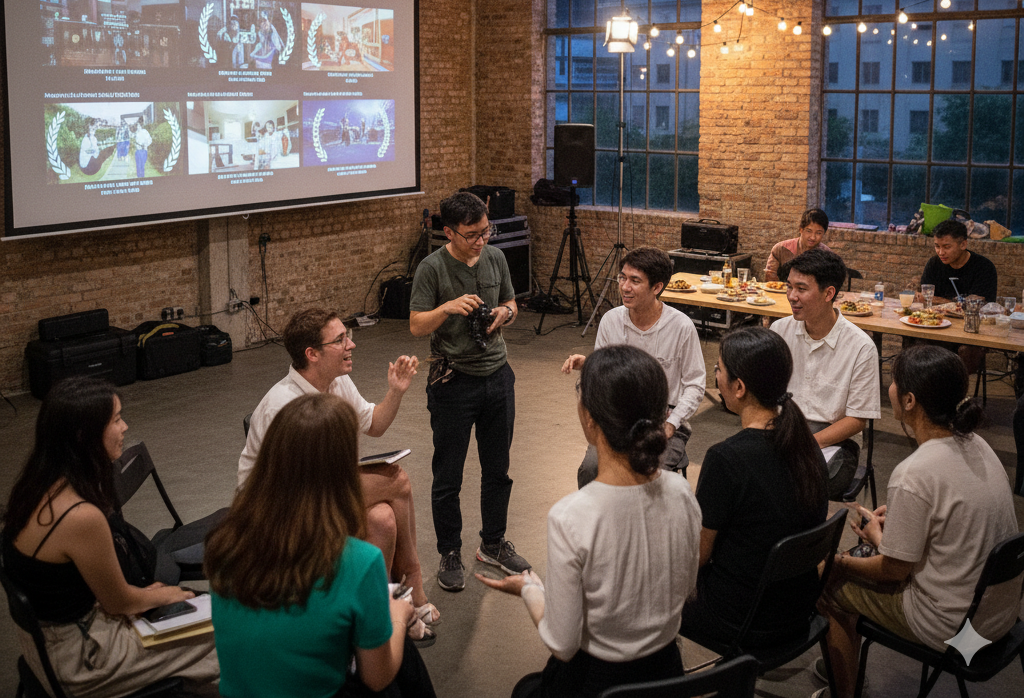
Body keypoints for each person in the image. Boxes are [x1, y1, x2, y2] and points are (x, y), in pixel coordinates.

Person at [477, 345, 702, 698]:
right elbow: (687, 588)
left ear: (590, 419)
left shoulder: (571, 516)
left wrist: (530, 590)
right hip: (669, 675)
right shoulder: (682, 492)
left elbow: (562, 645)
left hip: (599, 683)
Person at [816, 345, 1019, 698]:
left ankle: (843, 691)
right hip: (999, 620)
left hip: (957, 634)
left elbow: (894, 571)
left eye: (893, 382)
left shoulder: (914, 473)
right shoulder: (978, 445)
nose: (889, 388)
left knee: (827, 584)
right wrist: (888, 535)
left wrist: (839, 563)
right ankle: (842, 663)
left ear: (909, 401)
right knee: (863, 556)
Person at [1, 376, 219, 697]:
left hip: (48, 646)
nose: (125, 427)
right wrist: (164, 595)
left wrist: (143, 595)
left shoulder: (35, 487)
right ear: (84, 435)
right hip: (83, 659)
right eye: (116, 420)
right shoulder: (79, 515)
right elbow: (119, 602)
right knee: (226, 637)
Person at [208, 393, 436, 698]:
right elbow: (378, 677)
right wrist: (397, 615)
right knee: (401, 656)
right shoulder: (358, 561)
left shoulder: (224, 544)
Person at [238, 308, 439, 638]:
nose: (351, 345)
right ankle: (412, 585)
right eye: (340, 340)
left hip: (316, 493)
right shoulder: (282, 405)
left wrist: (396, 391)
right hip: (278, 511)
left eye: (348, 336)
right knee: (397, 480)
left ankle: (378, 610)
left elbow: (374, 424)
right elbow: (294, 491)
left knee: (383, 520)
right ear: (312, 354)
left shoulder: (337, 381)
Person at [409, 191, 531, 592]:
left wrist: (505, 313)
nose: (482, 240)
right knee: (448, 476)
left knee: (498, 469)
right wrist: (447, 308)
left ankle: (493, 543)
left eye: (485, 231)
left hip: (498, 376)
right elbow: (416, 325)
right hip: (453, 382)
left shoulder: (495, 258)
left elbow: (512, 302)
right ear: (449, 232)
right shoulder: (432, 269)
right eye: (472, 234)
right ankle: (449, 551)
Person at [679, 327, 828, 646]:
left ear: (739, 387)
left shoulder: (726, 459)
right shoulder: (807, 445)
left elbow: (698, 557)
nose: (716, 376)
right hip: (796, 612)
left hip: (739, 618)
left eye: (718, 369)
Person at [562, 246, 705, 488]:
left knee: (647, 477)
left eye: (635, 281)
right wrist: (591, 364)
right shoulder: (611, 320)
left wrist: (672, 423)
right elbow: (605, 377)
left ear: (657, 287)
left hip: (664, 419)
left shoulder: (681, 327)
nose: (625, 287)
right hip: (618, 419)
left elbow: (695, 384)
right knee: (591, 469)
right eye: (622, 278)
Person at [770, 248, 880, 500]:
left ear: (829, 293)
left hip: (835, 440)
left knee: (800, 484)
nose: (792, 296)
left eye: (801, 289)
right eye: (789, 287)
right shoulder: (780, 330)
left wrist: (806, 445)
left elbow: (856, 420)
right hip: (786, 431)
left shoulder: (860, 347)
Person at [918, 219, 998, 304]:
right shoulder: (933, 264)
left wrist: (942, 301)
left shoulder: (984, 267)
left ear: (963, 245)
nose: (941, 253)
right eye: (937, 246)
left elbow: (976, 305)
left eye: (947, 247)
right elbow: (924, 298)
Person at [764, 208, 832, 282]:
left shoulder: (828, 255)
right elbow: (770, 280)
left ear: (824, 233)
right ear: (801, 230)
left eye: (818, 233)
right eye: (809, 231)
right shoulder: (780, 249)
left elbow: (830, 283)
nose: (813, 237)